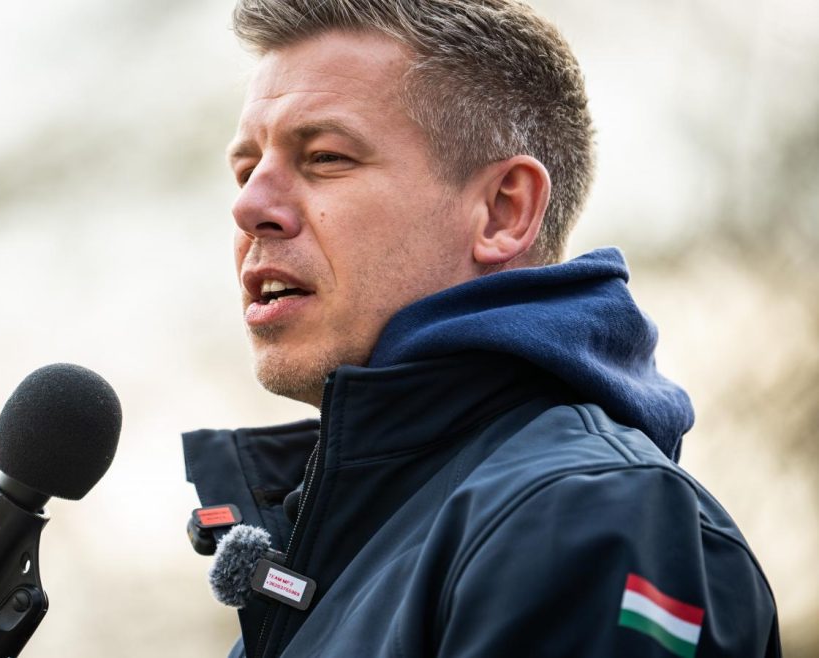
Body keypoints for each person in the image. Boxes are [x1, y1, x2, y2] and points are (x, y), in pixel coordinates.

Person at [182, 0, 781, 657]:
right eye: (246, 171)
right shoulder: (345, 552)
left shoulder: (587, 515)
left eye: (325, 157)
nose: (249, 206)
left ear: (502, 211)